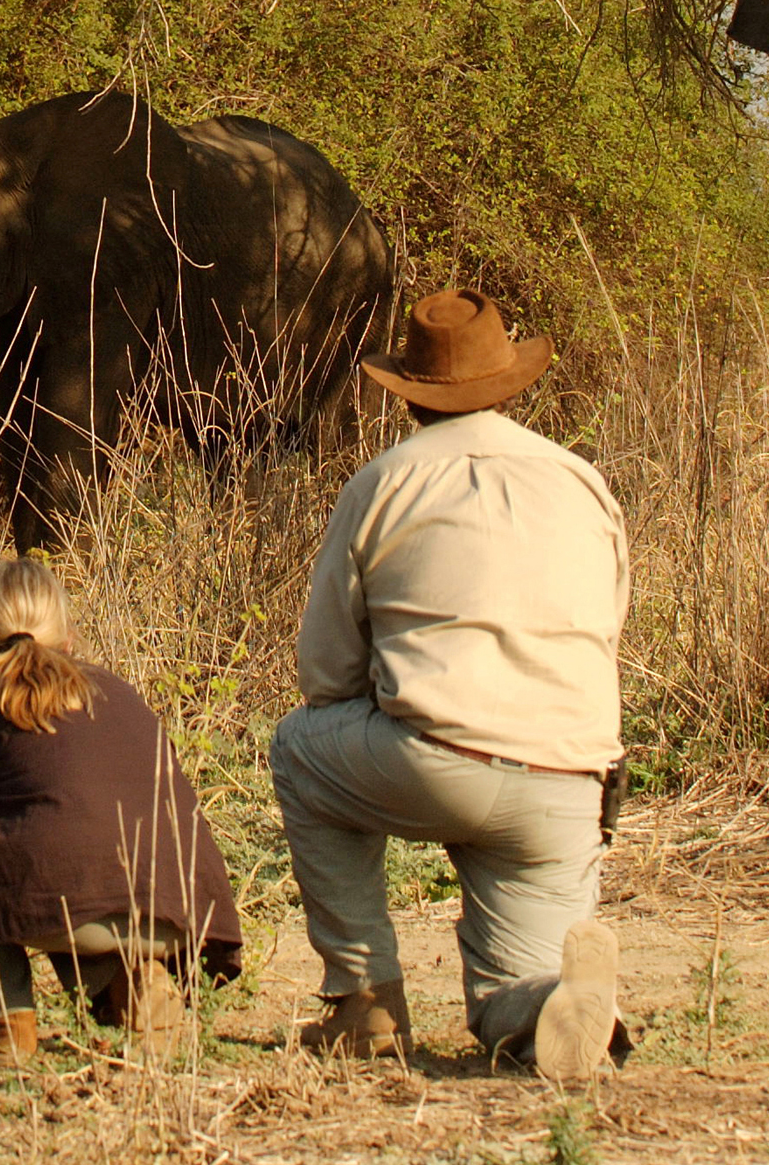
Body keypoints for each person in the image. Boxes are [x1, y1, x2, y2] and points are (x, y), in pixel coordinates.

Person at [270, 288, 631, 1078]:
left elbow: (324, 676)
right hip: (568, 781)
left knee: (299, 747)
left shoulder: (384, 483)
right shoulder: (581, 481)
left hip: (434, 758)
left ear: (410, 396)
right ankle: (547, 1011)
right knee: (514, 985)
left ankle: (363, 1001)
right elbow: (606, 630)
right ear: (512, 383)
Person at [0, 558, 242, 1067]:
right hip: (179, 915)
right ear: (67, 639)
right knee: (52, 842)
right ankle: (137, 980)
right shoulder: (118, 690)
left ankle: (7, 1024)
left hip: (64, 906)